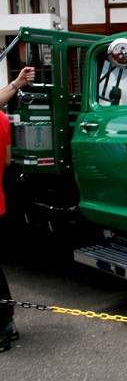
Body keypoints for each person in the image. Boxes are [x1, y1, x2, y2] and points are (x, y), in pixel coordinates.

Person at [0, 66, 35, 353]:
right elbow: (8, 162)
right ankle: (7, 322)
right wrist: (16, 84)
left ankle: (3, 327)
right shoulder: (2, 120)